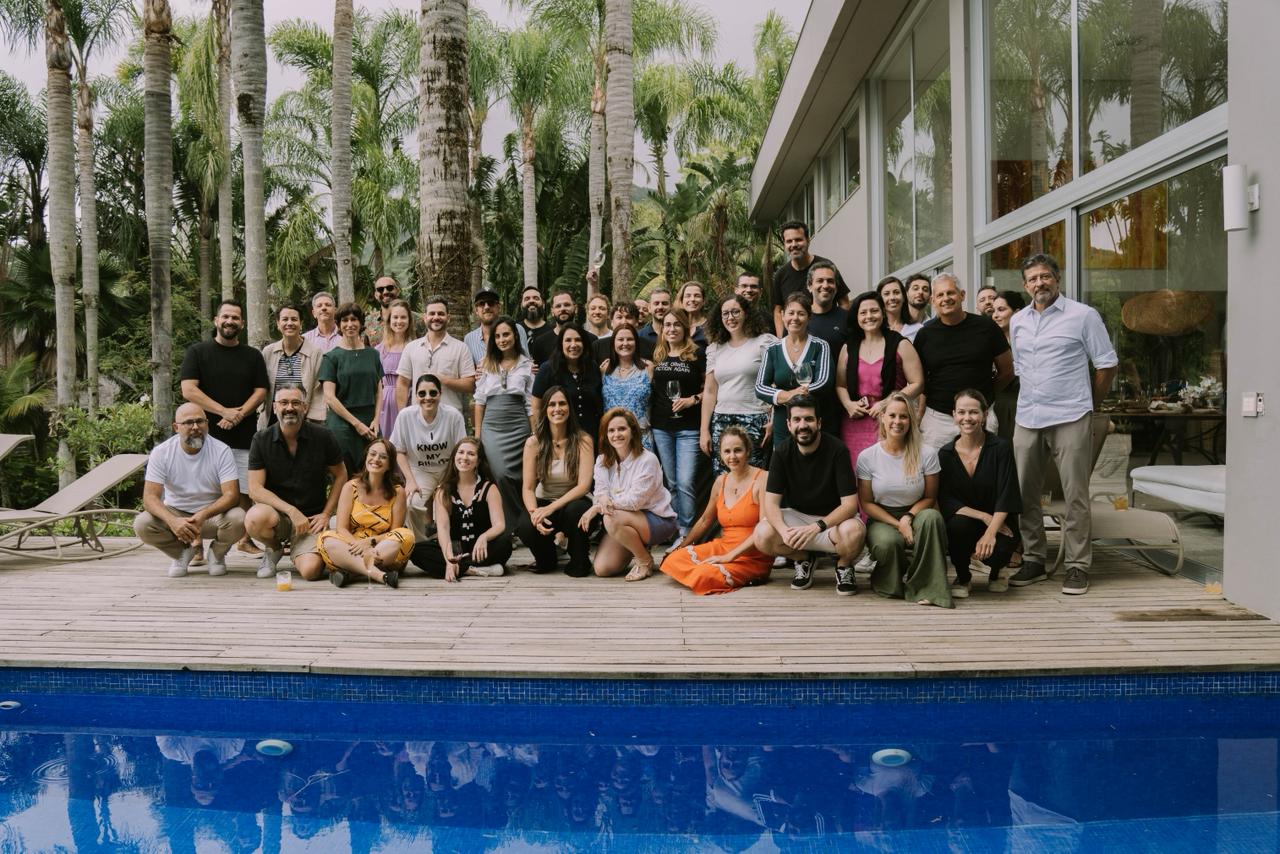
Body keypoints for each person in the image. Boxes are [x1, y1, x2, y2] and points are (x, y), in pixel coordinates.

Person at [1008, 253, 1118, 595]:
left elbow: (1106, 365)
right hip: (1028, 416)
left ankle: (1077, 565)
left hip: (1071, 415)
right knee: (1024, 493)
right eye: (1033, 278)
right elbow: (1020, 367)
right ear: (1025, 285)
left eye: (1045, 276)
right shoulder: (1018, 321)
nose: (1039, 283)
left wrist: (1090, 405)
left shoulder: (1083, 316)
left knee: (1075, 494)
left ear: (1057, 279)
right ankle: (1034, 559)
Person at [180, 299, 269, 556]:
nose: (230, 321)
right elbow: (188, 390)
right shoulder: (197, 352)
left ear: (242, 323)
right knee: (199, 490)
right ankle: (195, 544)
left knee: (244, 490)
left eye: (235, 318)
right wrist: (223, 411)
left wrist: (238, 415)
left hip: (243, 434)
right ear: (216, 320)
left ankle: (244, 539)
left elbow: (261, 391)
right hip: (203, 436)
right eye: (226, 316)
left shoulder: (252, 356)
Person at [753, 395, 864, 593]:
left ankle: (844, 565)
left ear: (819, 423)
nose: (803, 425)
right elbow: (770, 504)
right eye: (797, 419)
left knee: (854, 532)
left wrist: (817, 526)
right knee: (762, 534)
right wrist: (784, 531)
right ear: (788, 424)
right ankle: (803, 559)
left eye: (809, 419)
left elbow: (849, 505)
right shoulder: (782, 452)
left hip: (832, 523)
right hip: (798, 519)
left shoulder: (837, 449)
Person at [856, 392, 951, 608]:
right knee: (888, 543)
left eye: (904, 416)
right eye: (892, 415)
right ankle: (890, 580)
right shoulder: (868, 457)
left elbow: (930, 497)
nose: (897, 421)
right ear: (882, 417)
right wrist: (898, 524)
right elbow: (867, 504)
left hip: (917, 512)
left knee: (932, 518)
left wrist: (908, 518)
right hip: (883, 517)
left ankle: (929, 588)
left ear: (911, 420)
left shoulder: (927, 453)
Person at [244, 384, 348, 581]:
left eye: (295, 403)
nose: (289, 408)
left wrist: (326, 514)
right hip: (278, 518)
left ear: (305, 407)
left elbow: (341, 475)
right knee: (254, 517)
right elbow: (255, 489)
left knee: (311, 572)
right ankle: (274, 548)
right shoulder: (261, 439)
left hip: (311, 521)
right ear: (275, 407)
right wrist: (291, 511)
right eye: (283, 402)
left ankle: (301, 550)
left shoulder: (323, 436)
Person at [134, 402, 245, 577]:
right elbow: (150, 498)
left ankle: (216, 554)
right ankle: (182, 554)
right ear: (176, 427)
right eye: (188, 422)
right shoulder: (162, 452)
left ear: (207, 424)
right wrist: (172, 521)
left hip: (211, 515)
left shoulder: (221, 450)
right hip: (176, 511)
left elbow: (231, 495)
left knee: (239, 518)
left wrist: (203, 515)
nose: (195, 427)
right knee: (142, 524)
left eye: (200, 421)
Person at [660, 426, 772, 594]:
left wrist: (730, 557)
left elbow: (764, 529)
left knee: (704, 574)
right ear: (720, 454)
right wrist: (682, 545)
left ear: (748, 451)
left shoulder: (763, 479)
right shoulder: (721, 481)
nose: (732, 456)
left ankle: (735, 574)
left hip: (751, 555)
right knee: (673, 559)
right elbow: (705, 520)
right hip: (723, 546)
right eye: (727, 451)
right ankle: (707, 572)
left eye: (738, 450)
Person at [912, 273, 1014, 449]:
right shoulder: (924, 335)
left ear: (962, 295)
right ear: (933, 301)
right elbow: (920, 380)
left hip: (980, 415)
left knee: (983, 465)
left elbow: (1007, 371)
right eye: (940, 295)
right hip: (938, 419)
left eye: (950, 293)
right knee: (937, 466)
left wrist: (984, 396)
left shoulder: (987, 327)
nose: (946, 298)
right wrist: (919, 415)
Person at [938, 390, 1022, 596]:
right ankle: (963, 577)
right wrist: (983, 516)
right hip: (967, 521)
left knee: (1000, 546)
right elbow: (947, 500)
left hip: (1000, 520)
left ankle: (997, 571)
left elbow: (1007, 494)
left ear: (985, 415)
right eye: (961, 412)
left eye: (974, 412)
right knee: (956, 526)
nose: (967, 418)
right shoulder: (945, 454)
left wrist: (990, 533)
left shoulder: (1001, 448)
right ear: (954, 415)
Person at [581, 407, 678, 580]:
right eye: (611, 430)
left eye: (622, 429)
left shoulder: (647, 460)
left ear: (632, 431)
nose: (616, 434)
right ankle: (636, 545)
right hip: (623, 518)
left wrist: (597, 508)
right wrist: (602, 500)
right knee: (602, 569)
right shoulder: (602, 460)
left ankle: (644, 560)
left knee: (610, 518)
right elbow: (601, 491)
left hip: (657, 519)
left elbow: (634, 502)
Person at [835, 291, 924, 465]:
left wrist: (887, 403)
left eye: (874, 311)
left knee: (888, 469)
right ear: (857, 317)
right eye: (863, 312)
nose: (869, 316)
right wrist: (848, 404)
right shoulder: (848, 347)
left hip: (890, 421)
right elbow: (840, 385)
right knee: (855, 471)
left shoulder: (900, 344)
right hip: (854, 424)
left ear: (883, 313)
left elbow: (918, 383)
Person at [515, 387, 595, 576]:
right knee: (525, 526)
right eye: (552, 404)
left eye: (562, 403)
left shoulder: (583, 440)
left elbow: (584, 486)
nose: (557, 409)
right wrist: (534, 514)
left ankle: (579, 557)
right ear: (545, 410)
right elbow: (528, 488)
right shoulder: (534, 443)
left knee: (575, 512)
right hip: (544, 499)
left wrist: (550, 509)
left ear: (569, 408)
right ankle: (547, 557)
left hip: (575, 501)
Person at [317, 438, 414, 589]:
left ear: (389, 464)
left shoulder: (397, 492)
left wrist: (370, 543)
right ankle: (380, 575)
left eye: (383, 457)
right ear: (366, 457)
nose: (376, 459)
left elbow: (394, 531)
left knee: (406, 535)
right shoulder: (350, 487)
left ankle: (352, 572)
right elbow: (342, 528)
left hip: (382, 548)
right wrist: (360, 546)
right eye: (372, 454)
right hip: (353, 546)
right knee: (325, 539)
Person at [410, 438, 513, 580]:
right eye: (461, 452)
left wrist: (484, 537)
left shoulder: (489, 488)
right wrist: (449, 560)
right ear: (454, 457)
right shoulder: (443, 491)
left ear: (478, 461)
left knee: (505, 544)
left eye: (471, 454)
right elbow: (443, 529)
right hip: (454, 549)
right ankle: (472, 570)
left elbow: (500, 525)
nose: (464, 457)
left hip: (481, 549)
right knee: (416, 550)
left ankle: (461, 568)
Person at [647, 309, 706, 539]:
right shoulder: (658, 354)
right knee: (670, 482)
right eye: (667, 325)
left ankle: (687, 532)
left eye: (676, 324)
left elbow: (711, 388)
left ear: (686, 328)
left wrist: (693, 399)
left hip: (689, 428)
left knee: (685, 482)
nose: (671, 329)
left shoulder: (697, 354)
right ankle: (676, 529)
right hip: (661, 426)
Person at [473, 316, 535, 533]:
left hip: (519, 425)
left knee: (521, 475)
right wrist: (478, 436)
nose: (502, 339)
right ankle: (509, 525)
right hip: (492, 426)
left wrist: (534, 433)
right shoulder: (485, 364)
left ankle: (523, 526)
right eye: (498, 336)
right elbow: (479, 402)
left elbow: (530, 403)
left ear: (515, 336)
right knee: (499, 473)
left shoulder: (527, 365)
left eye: (506, 334)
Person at [700, 295, 775, 473]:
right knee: (723, 476)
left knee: (753, 476)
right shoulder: (715, 348)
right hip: (721, 419)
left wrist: (773, 419)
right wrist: (704, 430)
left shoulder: (764, 342)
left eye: (735, 312)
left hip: (754, 417)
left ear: (746, 313)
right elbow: (710, 391)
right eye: (725, 313)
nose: (730, 317)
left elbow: (775, 383)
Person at [391, 373, 467, 541]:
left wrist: (453, 480)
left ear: (440, 394)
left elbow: (461, 450)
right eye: (422, 393)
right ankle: (420, 543)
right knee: (411, 503)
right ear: (416, 396)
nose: (427, 398)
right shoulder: (405, 416)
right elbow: (398, 450)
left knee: (454, 503)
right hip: (420, 470)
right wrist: (410, 480)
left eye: (433, 393)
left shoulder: (453, 416)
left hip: (448, 469)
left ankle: (452, 540)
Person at [755, 291, 832, 442]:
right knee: (783, 456)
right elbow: (760, 387)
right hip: (782, 422)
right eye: (791, 313)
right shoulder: (772, 349)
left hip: (811, 421)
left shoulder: (820, 346)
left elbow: (824, 382)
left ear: (809, 317)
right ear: (783, 315)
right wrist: (791, 394)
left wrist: (792, 395)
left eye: (801, 314)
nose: (795, 318)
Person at [319, 302, 384, 476]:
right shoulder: (331, 357)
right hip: (343, 424)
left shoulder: (373, 354)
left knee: (373, 473)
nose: (350, 324)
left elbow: (379, 390)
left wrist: (376, 419)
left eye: (354, 319)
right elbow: (330, 397)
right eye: (345, 320)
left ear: (361, 323)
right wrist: (357, 424)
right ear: (338, 324)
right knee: (346, 474)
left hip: (370, 423)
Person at [396, 295, 477, 415]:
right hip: (418, 418)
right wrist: (402, 415)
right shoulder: (411, 348)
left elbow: (470, 385)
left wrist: (444, 380)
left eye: (441, 314)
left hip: (450, 419)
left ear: (448, 318)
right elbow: (402, 383)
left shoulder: (461, 348)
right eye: (432, 314)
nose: (436, 317)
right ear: (425, 317)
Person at [770, 221, 849, 335]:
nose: (794, 244)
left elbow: (844, 302)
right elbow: (778, 311)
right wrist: (781, 339)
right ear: (784, 244)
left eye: (798, 239)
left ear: (808, 240)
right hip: (794, 337)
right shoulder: (780, 275)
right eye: (789, 241)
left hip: (826, 333)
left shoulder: (826, 267)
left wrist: (840, 330)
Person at [530, 323, 604, 441]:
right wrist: (540, 435)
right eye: (568, 340)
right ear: (561, 344)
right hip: (559, 437)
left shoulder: (592, 367)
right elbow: (536, 406)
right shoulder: (547, 369)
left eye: (578, 340)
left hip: (591, 436)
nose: (573, 345)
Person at [261, 304, 326, 429]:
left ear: (301, 323)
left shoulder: (315, 353)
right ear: (278, 324)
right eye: (285, 319)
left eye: (294, 319)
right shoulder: (268, 352)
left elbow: (318, 391)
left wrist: (310, 421)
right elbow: (263, 387)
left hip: (305, 420)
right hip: (273, 420)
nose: (289, 323)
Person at [806, 262, 850, 427]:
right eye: (820, 281)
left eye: (830, 281)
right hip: (805, 403)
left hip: (839, 405)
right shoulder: (798, 318)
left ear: (836, 288)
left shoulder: (848, 319)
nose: (825, 285)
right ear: (809, 286)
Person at [601, 322, 652, 446]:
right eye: (620, 339)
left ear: (636, 343)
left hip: (641, 437)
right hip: (613, 439)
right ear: (613, 343)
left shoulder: (648, 367)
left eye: (629, 339)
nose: (625, 343)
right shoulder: (605, 369)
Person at [990, 290, 1026, 442]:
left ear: (1017, 312)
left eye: (1001, 309)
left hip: (1023, 406)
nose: (995, 315)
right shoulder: (989, 341)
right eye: (993, 311)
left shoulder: (1028, 341)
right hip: (997, 406)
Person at [464, 287, 530, 365]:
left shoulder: (517, 329)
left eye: (491, 302)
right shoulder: (469, 339)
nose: (486, 307)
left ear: (499, 307)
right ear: (476, 310)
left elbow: (526, 363)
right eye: (481, 303)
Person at [375, 299, 412, 438]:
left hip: (408, 400)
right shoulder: (379, 350)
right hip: (384, 403)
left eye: (403, 317)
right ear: (389, 320)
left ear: (409, 320)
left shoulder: (415, 347)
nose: (399, 321)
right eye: (395, 317)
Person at [530, 288, 597, 365]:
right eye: (558, 306)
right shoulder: (540, 343)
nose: (562, 309)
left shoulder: (591, 340)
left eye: (567, 305)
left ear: (575, 308)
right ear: (552, 311)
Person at [366, 276, 402, 346]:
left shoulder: (415, 319)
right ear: (376, 295)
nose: (385, 292)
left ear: (398, 291)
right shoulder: (367, 321)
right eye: (380, 289)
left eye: (390, 288)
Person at [518, 285, 554, 352]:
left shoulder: (554, 331)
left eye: (536, 298)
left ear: (543, 304)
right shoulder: (515, 330)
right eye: (527, 299)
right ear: (521, 305)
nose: (531, 301)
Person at [900, 273, 933, 341]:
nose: (920, 292)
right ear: (906, 294)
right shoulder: (898, 324)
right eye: (915, 288)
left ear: (930, 296)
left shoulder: (932, 326)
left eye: (925, 289)